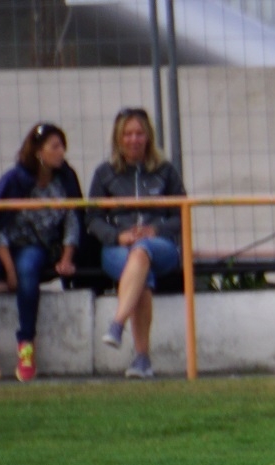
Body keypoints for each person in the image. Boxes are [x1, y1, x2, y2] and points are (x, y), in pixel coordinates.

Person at [87, 107, 186, 379]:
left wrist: (155, 230)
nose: (134, 139)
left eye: (139, 133)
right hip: (117, 248)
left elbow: (181, 215)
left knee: (142, 251)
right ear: (118, 139)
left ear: (148, 137)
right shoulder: (104, 173)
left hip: (161, 246)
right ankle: (142, 360)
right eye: (128, 134)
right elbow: (92, 218)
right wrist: (117, 236)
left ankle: (117, 323)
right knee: (141, 267)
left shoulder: (165, 171)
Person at [0, 123, 83, 383]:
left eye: (62, 146)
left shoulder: (65, 180)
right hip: (1, 245)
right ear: (39, 151)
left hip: (35, 245)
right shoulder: (15, 180)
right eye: (55, 147)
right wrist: (9, 270)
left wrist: (67, 257)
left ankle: (26, 345)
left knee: (29, 271)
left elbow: (73, 220)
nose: (61, 152)